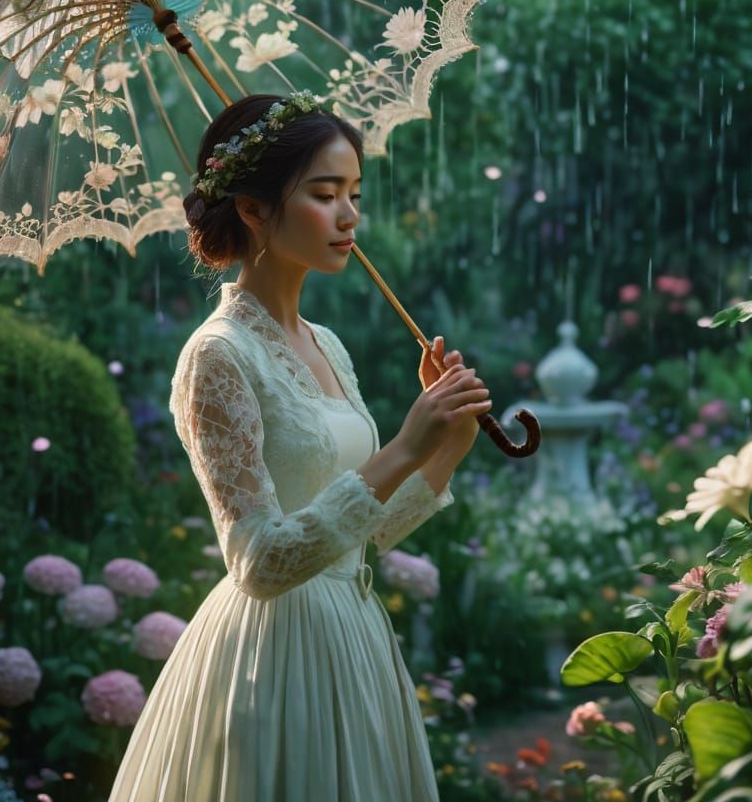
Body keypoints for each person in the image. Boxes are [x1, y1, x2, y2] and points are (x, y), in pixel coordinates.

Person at [107, 91, 493, 801]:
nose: (350, 216)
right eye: (324, 193)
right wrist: (406, 444)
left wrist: (449, 444)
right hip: (275, 659)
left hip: (354, 637)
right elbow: (259, 562)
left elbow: (361, 535)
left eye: (353, 193)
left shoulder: (327, 346)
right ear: (253, 209)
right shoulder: (217, 357)